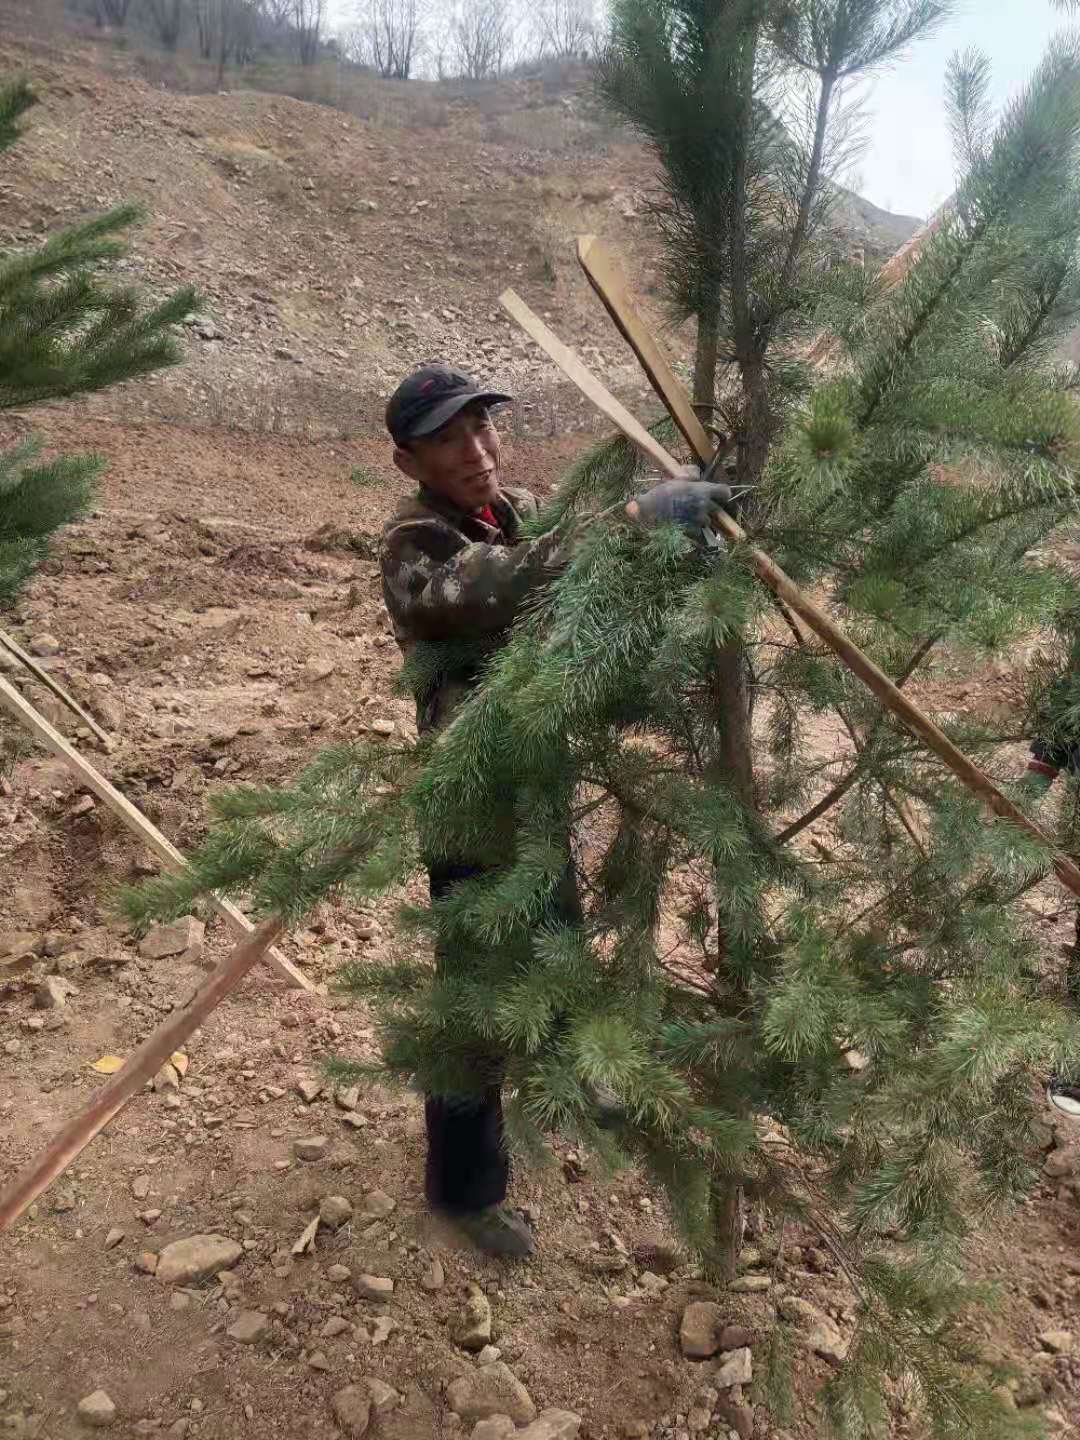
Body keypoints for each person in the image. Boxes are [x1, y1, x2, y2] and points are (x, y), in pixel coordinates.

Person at [379, 363, 731, 1256]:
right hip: (469, 799)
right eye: (449, 439)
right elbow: (496, 586)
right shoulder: (413, 544)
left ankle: (572, 1076)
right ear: (409, 462)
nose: (477, 450)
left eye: (482, 427)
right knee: (473, 995)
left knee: (556, 932)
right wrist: (634, 519)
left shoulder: (518, 511)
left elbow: (579, 575)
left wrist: (676, 546)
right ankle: (465, 1192)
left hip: (537, 776)